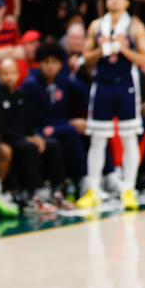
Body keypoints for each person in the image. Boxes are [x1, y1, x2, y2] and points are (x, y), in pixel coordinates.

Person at [77, 0, 145, 210]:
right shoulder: (96, 26)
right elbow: (85, 59)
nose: (115, 0)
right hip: (102, 85)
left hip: (126, 85)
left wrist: (123, 48)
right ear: (106, 1)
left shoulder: (135, 25)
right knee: (98, 139)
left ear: (127, 2)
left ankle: (128, 188)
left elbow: (144, 60)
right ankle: (94, 188)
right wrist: (103, 49)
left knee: (129, 137)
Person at [0, 58, 65, 212]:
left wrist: (35, 136)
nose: (9, 77)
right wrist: (27, 138)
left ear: (18, 75)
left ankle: (55, 190)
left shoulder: (21, 96)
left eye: (12, 73)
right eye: (5, 74)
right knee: (28, 147)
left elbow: (27, 124)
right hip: (4, 140)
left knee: (52, 144)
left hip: (21, 138)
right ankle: (32, 196)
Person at [21, 42, 89, 189]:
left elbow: (86, 95)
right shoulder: (31, 85)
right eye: (46, 62)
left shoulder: (63, 80)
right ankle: (83, 180)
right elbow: (35, 119)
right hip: (39, 129)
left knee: (91, 128)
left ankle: (107, 175)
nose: (50, 66)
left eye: (55, 62)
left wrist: (77, 73)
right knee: (70, 131)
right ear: (39, 63)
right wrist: (69, 123)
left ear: (60, 64)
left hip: (60, 125)